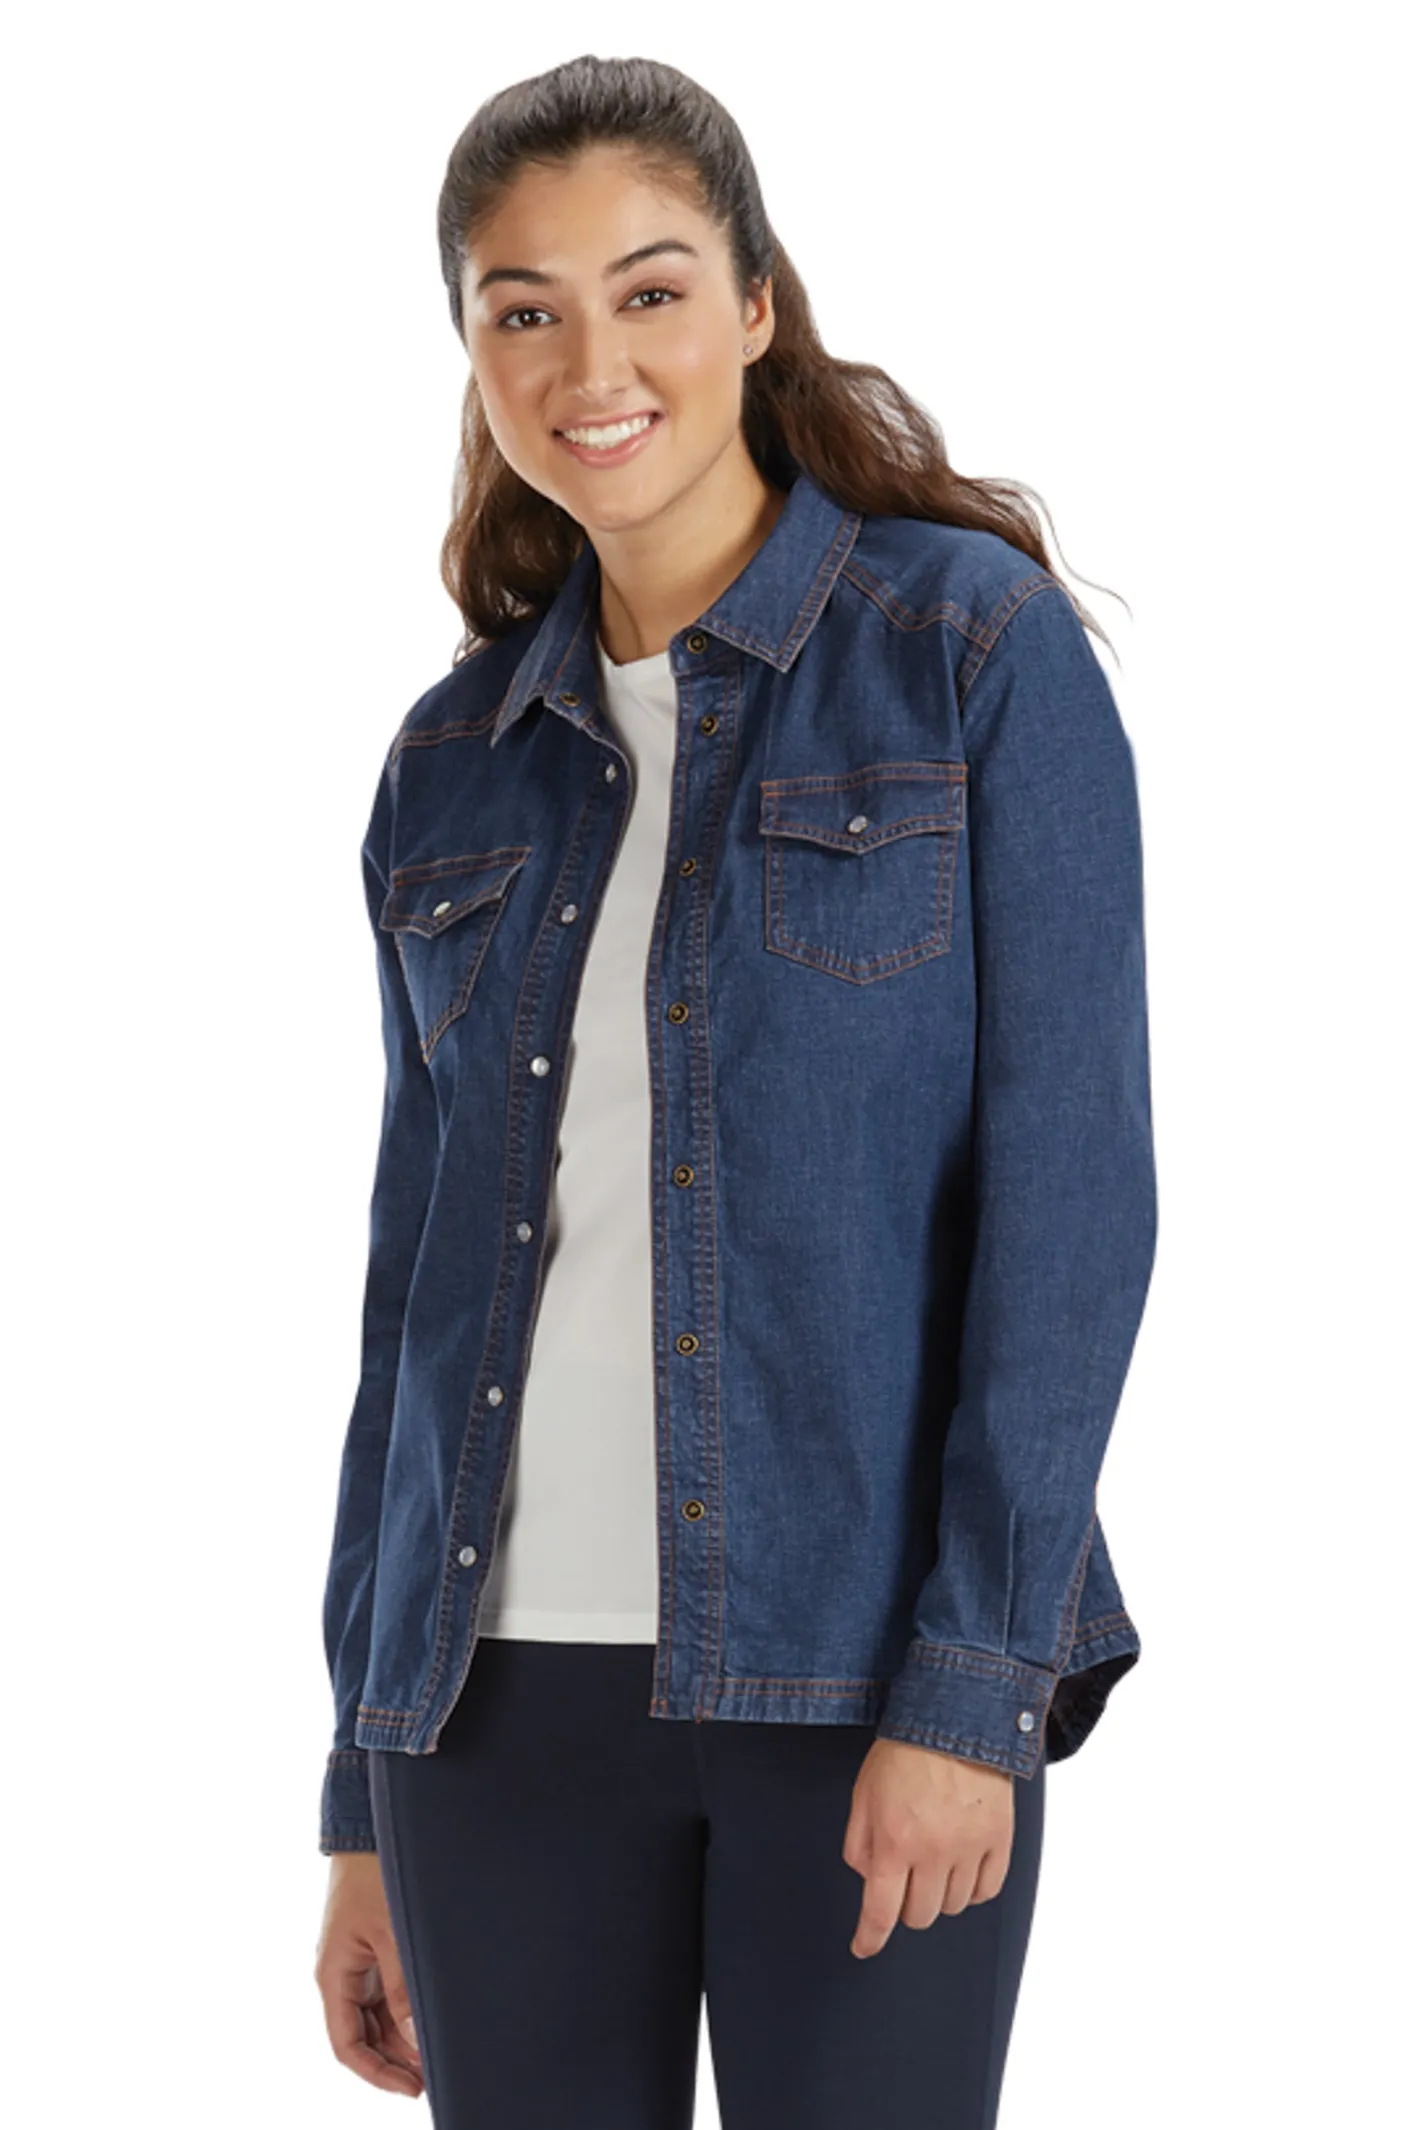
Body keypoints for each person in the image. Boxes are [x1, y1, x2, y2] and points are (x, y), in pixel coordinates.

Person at [313, 51, 1157, 2130]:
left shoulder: (968, 654)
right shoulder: (452, 761)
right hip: (485, 1709)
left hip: (857, 1672)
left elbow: (1070, 1206)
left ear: (757, 303)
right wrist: (358, 1777)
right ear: (472, 350)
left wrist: (976, 1679)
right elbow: (412, 1298)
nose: (589, 364)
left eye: (651, 290)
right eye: (523, 308)